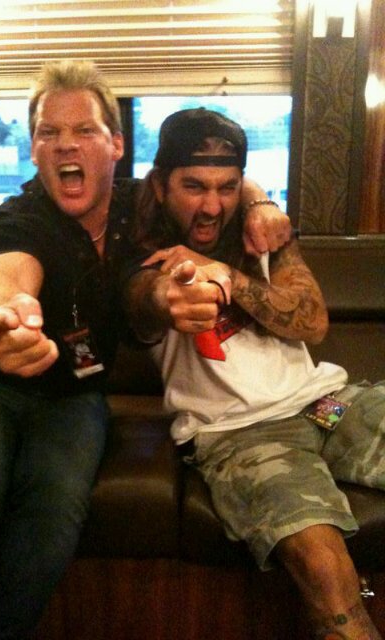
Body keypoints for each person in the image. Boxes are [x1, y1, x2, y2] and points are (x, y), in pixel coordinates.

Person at [0, 62, 291, 640]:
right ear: (34, 150)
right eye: (48, 131)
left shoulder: (143, 207)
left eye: (84, 129)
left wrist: (259, 201)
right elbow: (1, 276)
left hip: (76, 397)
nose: (66, 143)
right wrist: (3, 315)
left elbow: (215, 185)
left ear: (115, 145)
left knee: (55, 516)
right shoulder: (18, 217)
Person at [126, 107, 385, 639]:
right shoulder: (141, 259)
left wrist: (237, 257)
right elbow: (147, 301)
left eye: (226, 187)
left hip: (324, 406)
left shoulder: (263, 235)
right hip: (241, 435)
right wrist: (171, 295)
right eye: (193, 186)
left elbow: (312, 321)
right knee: (323, 567)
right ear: (159, 185)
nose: (211, 205)